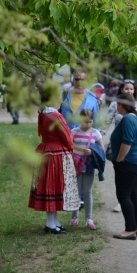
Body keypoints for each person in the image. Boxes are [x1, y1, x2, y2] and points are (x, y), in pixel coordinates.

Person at [28, 85, 81, 234]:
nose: (60, 99)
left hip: (46, 152)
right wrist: (71, 148)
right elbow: (66, 135)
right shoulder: (55, 116)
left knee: (51, 188)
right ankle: (51, 224)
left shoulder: (44, 114)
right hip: (56, 155)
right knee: (54, 188)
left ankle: (53, 222)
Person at [109, 94, 137, 240]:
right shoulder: (134, 117)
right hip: (134, 162)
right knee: (133, 195)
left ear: (122, 105)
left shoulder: (128, 119)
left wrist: (118, 160)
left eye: (117, 104)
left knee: (123, 195)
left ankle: (130, 229)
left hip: (128, 163)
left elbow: (127, 143)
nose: (116, 106)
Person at [70, 109, 103, 229]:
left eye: (90, 122)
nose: (88, 124)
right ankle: (74, 217)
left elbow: (101, 150)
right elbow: (68, 146)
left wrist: (92, 151)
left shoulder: (96, 133)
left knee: (87, 192)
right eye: (85, 122)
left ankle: (89, 218)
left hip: (89, 167)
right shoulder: (73, 132)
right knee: (76, 192)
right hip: (76, 166)